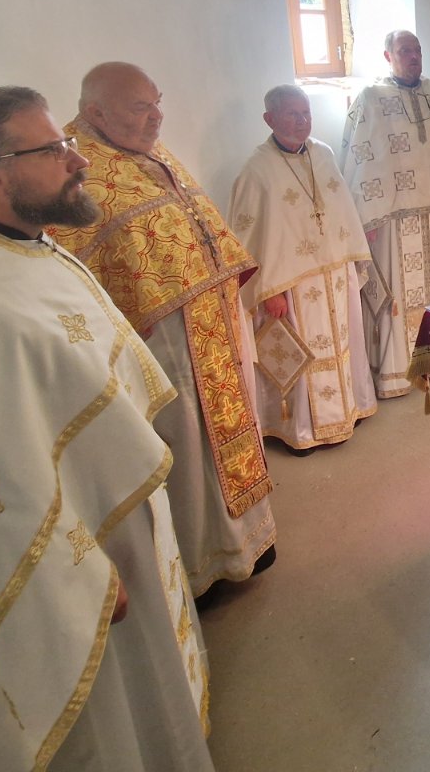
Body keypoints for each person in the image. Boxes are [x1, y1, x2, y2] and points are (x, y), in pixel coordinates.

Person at [0, 87, 211, 771]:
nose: (76, 160)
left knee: (153, 707)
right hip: (75, 575)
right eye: (53, 149)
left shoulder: (24, 246)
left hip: (114, 521)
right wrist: (81, 580)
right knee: (111, 731)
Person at [50, 62, 276, 596]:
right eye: (141, 107)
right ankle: (203, 565)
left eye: (158, 102)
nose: (156, 116)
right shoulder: (76, 171)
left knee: (225, 432)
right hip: (161, 345)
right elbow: (77, 273)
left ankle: (249, 539)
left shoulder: (151, 150)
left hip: (209, 325)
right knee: (186, 445)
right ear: (95, 112)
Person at [229, 85, 381, 449]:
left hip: (335, 274)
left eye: (306, 113)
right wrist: (268, 290)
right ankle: (305, 431)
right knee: (303, 353)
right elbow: (248, 237)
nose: (302, 121)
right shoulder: (257, 170)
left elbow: (341, 212)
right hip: (292, 285)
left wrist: (351, 260)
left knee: (344, 342)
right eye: (292, 114)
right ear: (270, 119)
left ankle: (349, 408)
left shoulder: (323, 154)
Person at [340, 30, 430, 390]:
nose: (413, 56)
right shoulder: (371, 97)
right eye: (404, 51)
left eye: (417, 50)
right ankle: (398, 372)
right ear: (388, 56)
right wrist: (365, 218)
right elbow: (361, 156)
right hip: (393, 218)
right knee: (398, 292)